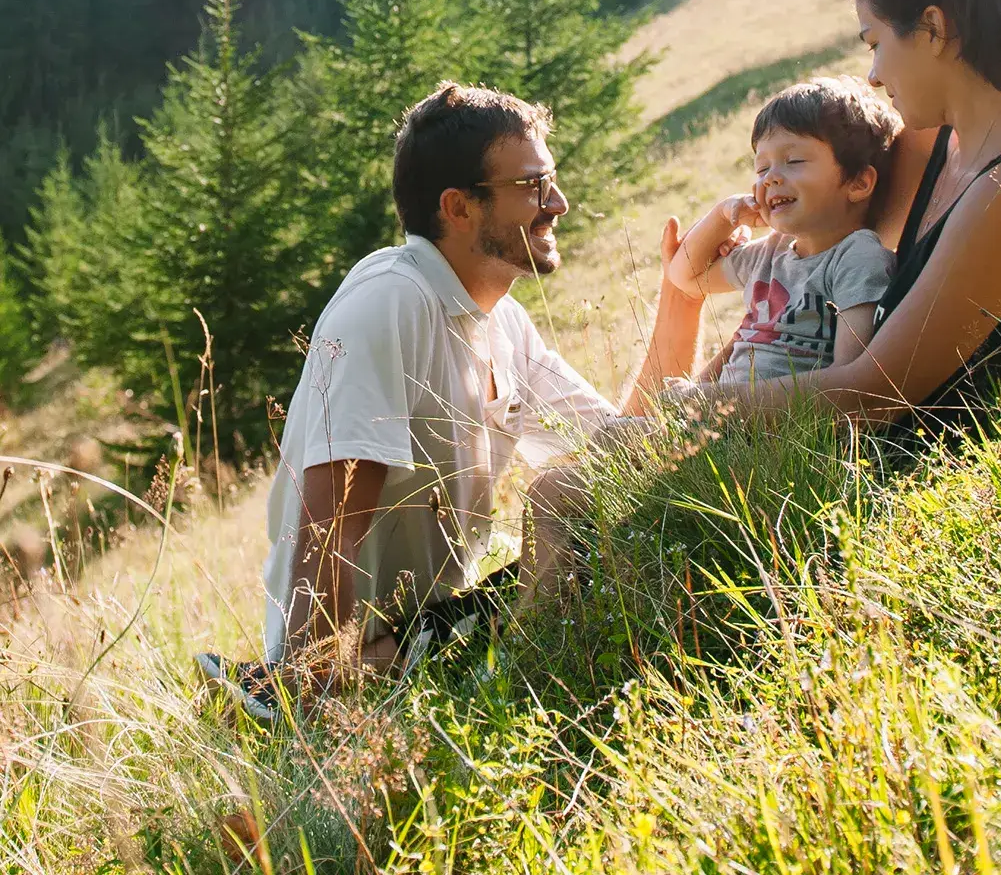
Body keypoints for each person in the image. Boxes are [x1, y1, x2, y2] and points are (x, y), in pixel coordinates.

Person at [198, 81, 685, 719]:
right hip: (349, 649)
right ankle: (281, 692)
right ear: (458, 207)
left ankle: (352, 672)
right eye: (533, 186)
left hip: (428, 633)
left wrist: (684, 292)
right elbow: (331, 516)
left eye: (552, 180)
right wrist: (322, 688)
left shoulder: (502, 323)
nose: (558, 203)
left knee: (609, 536)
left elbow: (623, 451)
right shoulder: (390, 301)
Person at [662, 0, 1001, 449]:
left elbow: (873, 394)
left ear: (933, 29)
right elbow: (807, 272)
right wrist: (718, 382)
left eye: (875, 43)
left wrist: (701, 408)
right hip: (826, 444)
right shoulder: (935, 142)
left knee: (559, 493)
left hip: (909, 487)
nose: (874, 74)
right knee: (569, 483)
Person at [667, 77, 901, 386]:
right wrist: (723, 216)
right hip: (722, 416)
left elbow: (848, 379)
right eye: (762, 168)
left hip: (778, 421)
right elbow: (686, 277)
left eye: (794, 161)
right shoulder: (770, 252)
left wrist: (721, 402)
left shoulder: (857, 258)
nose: (770, 178)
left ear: (858, 183)